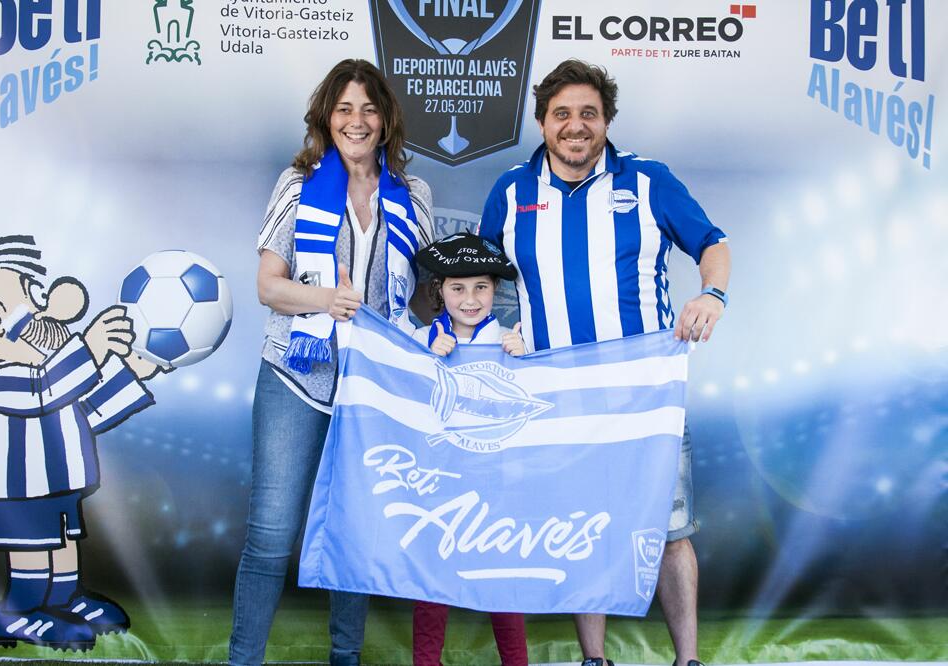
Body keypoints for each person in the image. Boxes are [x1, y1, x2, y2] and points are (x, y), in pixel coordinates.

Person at [478, 59, 731, 666]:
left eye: (588, 113)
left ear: (607, 121)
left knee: (669, 535)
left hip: (646, 394)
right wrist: (483, 334)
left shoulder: (646, 180)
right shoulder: (511, 191)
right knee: (583, 530)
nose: (575, 125)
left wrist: (711, 293)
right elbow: (481, 282)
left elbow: (712, 243)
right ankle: (594, 659)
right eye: (561, 113)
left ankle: (687, 661)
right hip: (558, 400)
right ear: (542, 122)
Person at [229, 59, 434, 666]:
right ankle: (242, 662)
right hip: (298, 374)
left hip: (373, 387)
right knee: (270, 536)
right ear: (327, 117)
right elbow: (270, 286)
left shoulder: (415, 194)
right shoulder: (297, 185)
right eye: (344, 109)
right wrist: (328, 300)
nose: (357, 120)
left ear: (386, 118)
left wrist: (454, 317)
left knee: (353, 536)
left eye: (369, 108)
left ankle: (345, 659)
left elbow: (421, 297)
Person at [0, 235, 160, 651]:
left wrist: (132, 373)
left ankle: (63, 600)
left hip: (51, 483)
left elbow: (86, 413)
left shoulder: (49, 376)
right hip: (12, 487)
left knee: (62, 540)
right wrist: (92, 348)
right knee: (32, 543)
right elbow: (45, 391)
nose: (51, 312)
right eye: (34, 297)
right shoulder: (0, 376)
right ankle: (16, 613)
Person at [410, 231, 528, 666]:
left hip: (500, 480)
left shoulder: (513, 341)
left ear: (495, 290)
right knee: (432, 578)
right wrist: (423, 352)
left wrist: (525, 354)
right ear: (439, 291)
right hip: (439, 479)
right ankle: (426, 662)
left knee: (501, 581)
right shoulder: (421, 339)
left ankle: (517, 663)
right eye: (457, 288)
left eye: (481, 286)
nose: (470, 298)